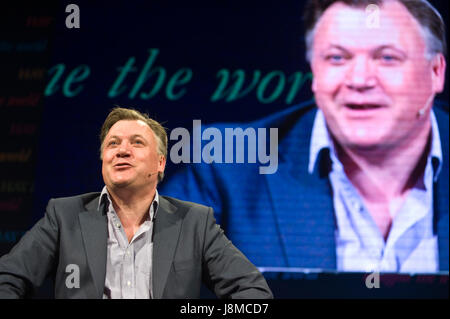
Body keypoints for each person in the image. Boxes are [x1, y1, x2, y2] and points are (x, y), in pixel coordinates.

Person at [160, 0, 448, 273]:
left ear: (435, 72)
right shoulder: (230, 163)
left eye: (387, 58)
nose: (359, 80)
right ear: (315, 72)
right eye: (337, 58)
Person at [0, 107, 273, 299]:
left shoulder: (194, 223)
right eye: (113, 143)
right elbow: (8, 279)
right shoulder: (64, 215)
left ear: (160, 163)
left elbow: (252, 292)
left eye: (137, 142)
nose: (122, 150)